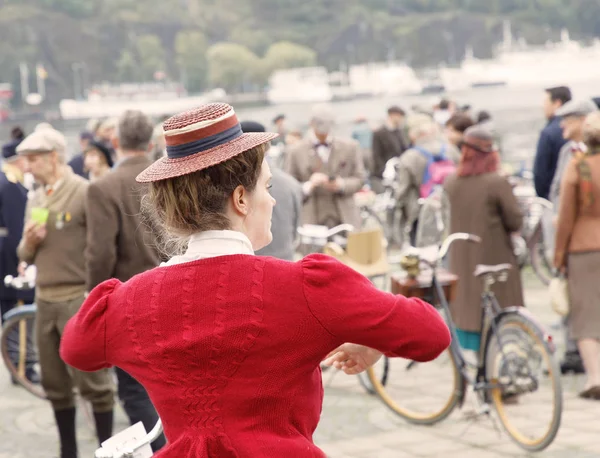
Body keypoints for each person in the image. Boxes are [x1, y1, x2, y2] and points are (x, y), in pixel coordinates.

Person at [60, 103, 451, 457]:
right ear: (240, 199)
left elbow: (77, 349)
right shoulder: (307, 287)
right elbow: (431, 334)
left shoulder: (129, 302)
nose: (274, 199)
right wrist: (371, 342)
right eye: (266, 186)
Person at [16, 125, 114, 458]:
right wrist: (29, 243)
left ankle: (104, 449)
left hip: (77, 297)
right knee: (55, 385)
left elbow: (101, 247)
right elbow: (23, 254)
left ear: (53, 157)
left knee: (94, 384)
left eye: (32, 159)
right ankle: (67, 451)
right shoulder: (36, 196)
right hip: (44, 298)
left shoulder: (84, 191)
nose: (26, 166)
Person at [85, 110, 166, 450]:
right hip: (174, 293)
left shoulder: (103, 187)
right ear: (150, 143)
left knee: (134, 391)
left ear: (114, 142)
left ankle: (164, 450)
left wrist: (95, 300)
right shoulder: (167, 178)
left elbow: (100, 254)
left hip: (129, 302)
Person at [444, 126, 524, 352]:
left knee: (468, 307)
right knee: (500, 308)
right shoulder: (496, 182)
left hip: (461, 257)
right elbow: (515, 221)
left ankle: (476, 365)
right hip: (493, 254)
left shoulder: (451, 183)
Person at [548, 99, 597, 375]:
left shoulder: (580, 165)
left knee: (583, 308)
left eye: (568, 119)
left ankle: (593, 374)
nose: (562, 124)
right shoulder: (571, 155)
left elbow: (565, 212)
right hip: (581, 241)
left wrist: (558, 255)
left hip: (582, 243)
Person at [286, 104, 365, 228]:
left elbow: (360, 178)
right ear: (311, 123)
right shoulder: (295, 151)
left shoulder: (350, 147)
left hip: (346, 217)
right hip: (311, 218)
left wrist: (341, 184)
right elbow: (289, 186)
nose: (324, 131)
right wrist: (309, 185)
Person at [0, 138, 37, 383]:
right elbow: (15, 229)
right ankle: (22, 367)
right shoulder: (11, 185)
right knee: (18, 310)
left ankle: (16, 364)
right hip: (10, 259)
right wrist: (22, 261)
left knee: (9, 310)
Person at [241, 121, 302, 261]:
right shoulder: (291, 183)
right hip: (285, 261)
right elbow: (296, 229)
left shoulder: (232, 185)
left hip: (249, 265)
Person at [394, 113, 460, 244]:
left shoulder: (409, 157)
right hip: (451, 208)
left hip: (421, 212)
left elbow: (403, 191)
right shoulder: (450, 149)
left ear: (413, 134)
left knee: (423, 254)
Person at [533, 86, 572, 199]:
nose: (543, 106)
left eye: (546, 102)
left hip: (555, 198)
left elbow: (540, 174)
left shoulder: (549, 132)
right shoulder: (579, 128)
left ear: (557, 103)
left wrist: (545, 197)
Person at [370, 106, 409, 193]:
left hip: (399, 170)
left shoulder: (400, 131)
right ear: (392, 115)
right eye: (399, 116)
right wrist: (384, 172)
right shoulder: (379, 133)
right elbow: (376, 155)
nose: (400, 119)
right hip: (385, 174)